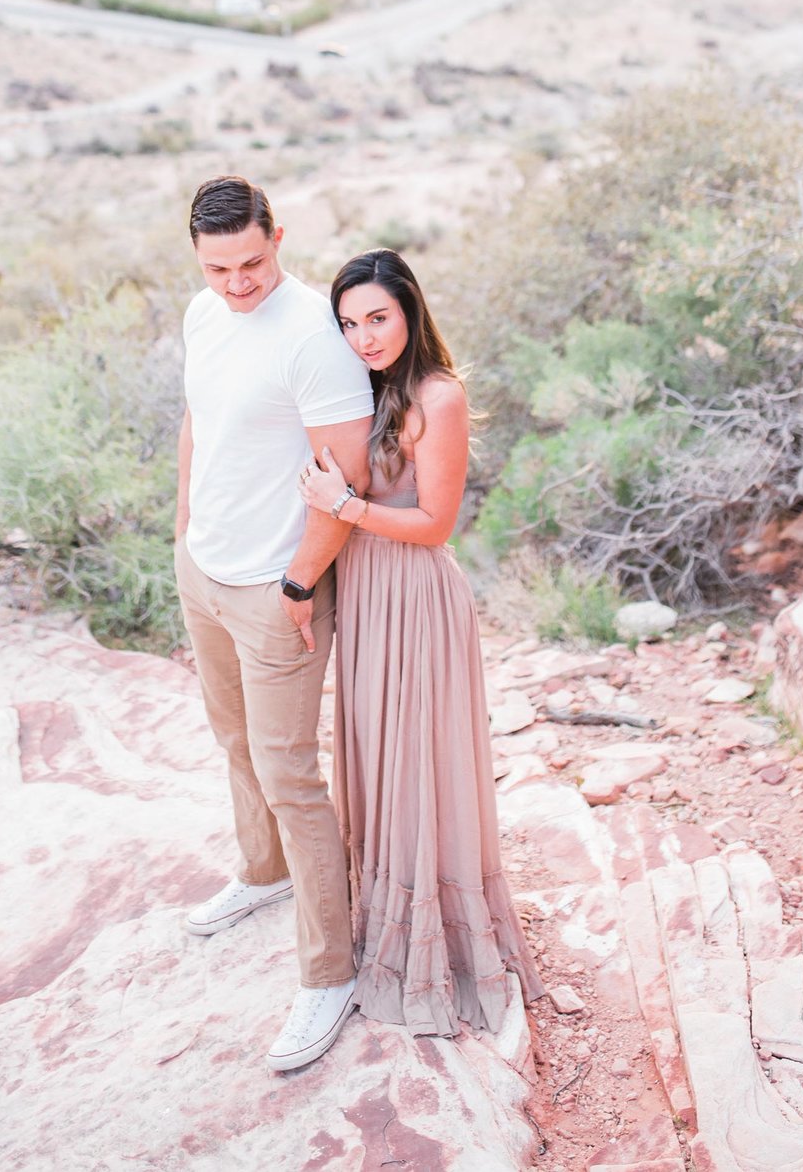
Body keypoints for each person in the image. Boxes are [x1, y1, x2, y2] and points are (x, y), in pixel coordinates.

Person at [295, 249, 543, 1037]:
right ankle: (382, 919)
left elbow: (436, 523)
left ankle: (439, 942)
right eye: (349, 323)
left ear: (410, 312)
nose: (364, 337)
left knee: (418, 759)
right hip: (365, 593)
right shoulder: (355, 390)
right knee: (373, 753)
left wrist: (345, 505)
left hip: (416, 592)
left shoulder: (440, 395)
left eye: (378, 318)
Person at [169, 175, 375, 1073]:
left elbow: (346, 479)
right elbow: (196, 425)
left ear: (278, 239)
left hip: (274, 587)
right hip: (204, 570)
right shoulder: (202, 314)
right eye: (220, 268)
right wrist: (182, 535)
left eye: (252, 262)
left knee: (291, 773)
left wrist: (299, 586)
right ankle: (263, 875)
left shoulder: (315, 341)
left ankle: (328, 972)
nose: (238, 283)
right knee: (232, 740)